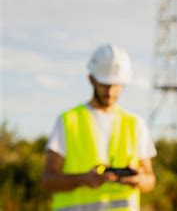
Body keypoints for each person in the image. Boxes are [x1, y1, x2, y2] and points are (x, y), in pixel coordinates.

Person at [41, 44, 157, 211]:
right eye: (105, 84)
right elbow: (48, 180)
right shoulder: (68, 121)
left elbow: (150, 180)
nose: (110, 92)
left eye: (115, 85)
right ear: (92, 79)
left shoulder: (135, 124)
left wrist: (139, 180)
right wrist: (83, 179)